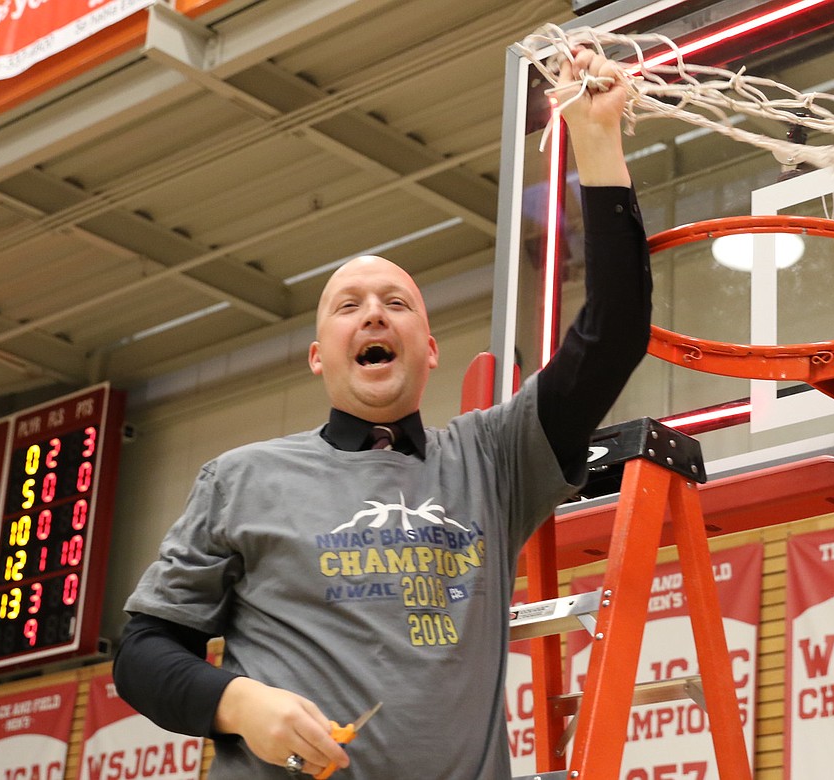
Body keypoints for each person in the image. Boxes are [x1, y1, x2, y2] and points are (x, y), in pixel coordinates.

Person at [114, 46, 652, 780]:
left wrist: (595, 140)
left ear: (429, 350)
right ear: (318, 356)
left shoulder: (494, 461)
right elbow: (143, 652)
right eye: (349, 306)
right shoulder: (239, 480)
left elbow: (614, 331)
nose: (374, 314)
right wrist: (238, 704)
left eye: (396, 303)